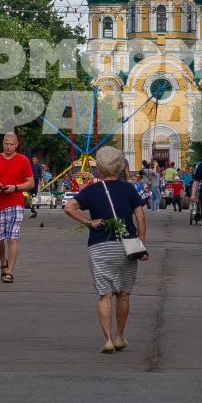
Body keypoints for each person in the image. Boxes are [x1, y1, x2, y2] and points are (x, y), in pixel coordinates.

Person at [64, 145, 149, 354]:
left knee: (105, 295)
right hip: (127, 246)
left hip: (100, 246)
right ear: (120, 166)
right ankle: (120, 336)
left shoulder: (91, 190)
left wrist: (88, 222)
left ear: (98, 168)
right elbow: (140, 217)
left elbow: (69, 207)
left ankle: (108, 340)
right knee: (123, 294)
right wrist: (141, 244)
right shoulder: (129, 189)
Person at [0, 131, 34, 283]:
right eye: (6, 144)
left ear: (17, 145)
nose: (9, 147)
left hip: (15, 201)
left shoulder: (23, 160)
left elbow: (30, 183)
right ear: (3, 143)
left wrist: (16, 187)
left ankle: (10, 271)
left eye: (12, 144)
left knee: (12, 237)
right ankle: (3, 261)